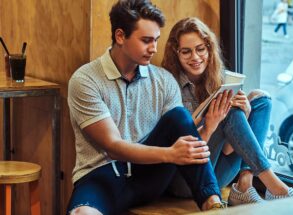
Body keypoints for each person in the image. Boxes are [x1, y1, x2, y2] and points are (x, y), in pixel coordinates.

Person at [66, 1, 226, 214]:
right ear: (120, 36)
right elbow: (113, 146)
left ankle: (213, 204)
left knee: (178, 117)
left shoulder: (164, 80)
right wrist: (170, 154)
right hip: (101, 176)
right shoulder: (86, 80)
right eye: (146, 40)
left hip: (151, 176)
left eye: (156, 40)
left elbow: (182, 134)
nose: (154, 48)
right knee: (81, 214)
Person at [161, 17, 293, 206]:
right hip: (186, 180)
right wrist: (211, 123)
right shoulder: (168, 84)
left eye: (200, 49)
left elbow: (228, 149)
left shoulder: (217, 78)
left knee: (261, 99)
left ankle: (244, 186)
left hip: (218, 171)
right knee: (227, 110)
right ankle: (277, 188)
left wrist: (246, 113)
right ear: (175, 53)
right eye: (186, 52)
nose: (195, 57)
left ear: (209, 48)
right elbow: (179, 148)